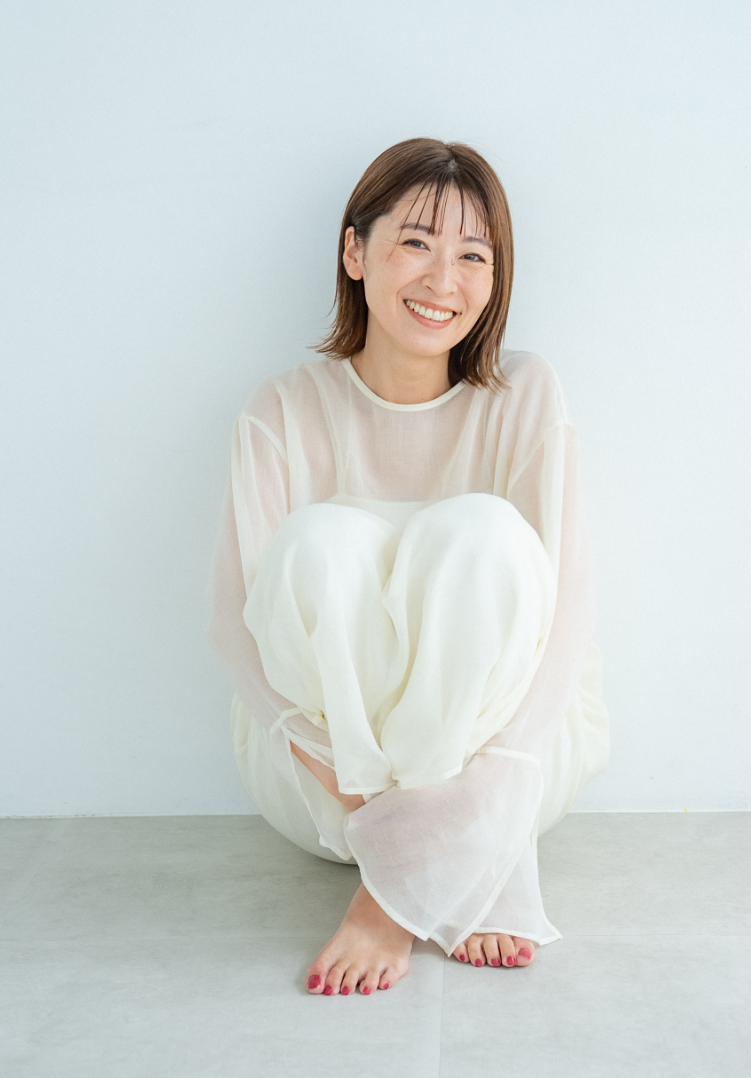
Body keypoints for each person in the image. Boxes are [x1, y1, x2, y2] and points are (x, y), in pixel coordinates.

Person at [208, 138, 609, 998]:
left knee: (485, 534)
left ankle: (389, 902)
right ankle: (442, 872)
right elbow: (234, 630)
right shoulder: (282, 409)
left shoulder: (526, 395)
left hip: (513, 769)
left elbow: (569, 618)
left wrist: (482, 797)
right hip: (323, 789)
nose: (443, 280)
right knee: (321, 543)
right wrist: (401, 833)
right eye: (417, 243)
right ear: (354, 252)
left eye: (473, 256)